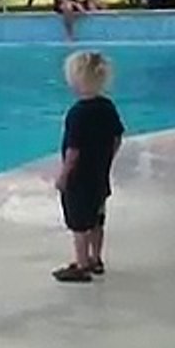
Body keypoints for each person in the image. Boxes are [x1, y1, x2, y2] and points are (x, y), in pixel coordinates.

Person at [53, 51, 124, 283]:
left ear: (76, 81)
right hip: (99, 175)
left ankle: (81, 265)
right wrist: (107, 160)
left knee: (79, 224)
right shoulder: (107, 107)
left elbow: (74, 151)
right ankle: (96, 259)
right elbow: (117, 137)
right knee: (97, 218)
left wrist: (63, 176)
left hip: (79, 179)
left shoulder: (77, 114)